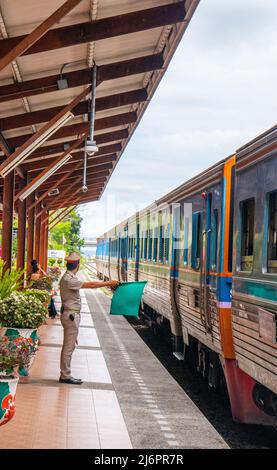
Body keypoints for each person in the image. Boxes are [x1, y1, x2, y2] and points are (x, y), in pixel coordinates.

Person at [59, 252, 119, 385]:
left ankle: (65, 373)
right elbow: (90, 285)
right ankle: (65, 375)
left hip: (70, 315)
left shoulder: (67, 277)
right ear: (77, 265)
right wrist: (109, 282)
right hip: (71, 316)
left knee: (69, 345)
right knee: (69, 347)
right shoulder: (70, 279)